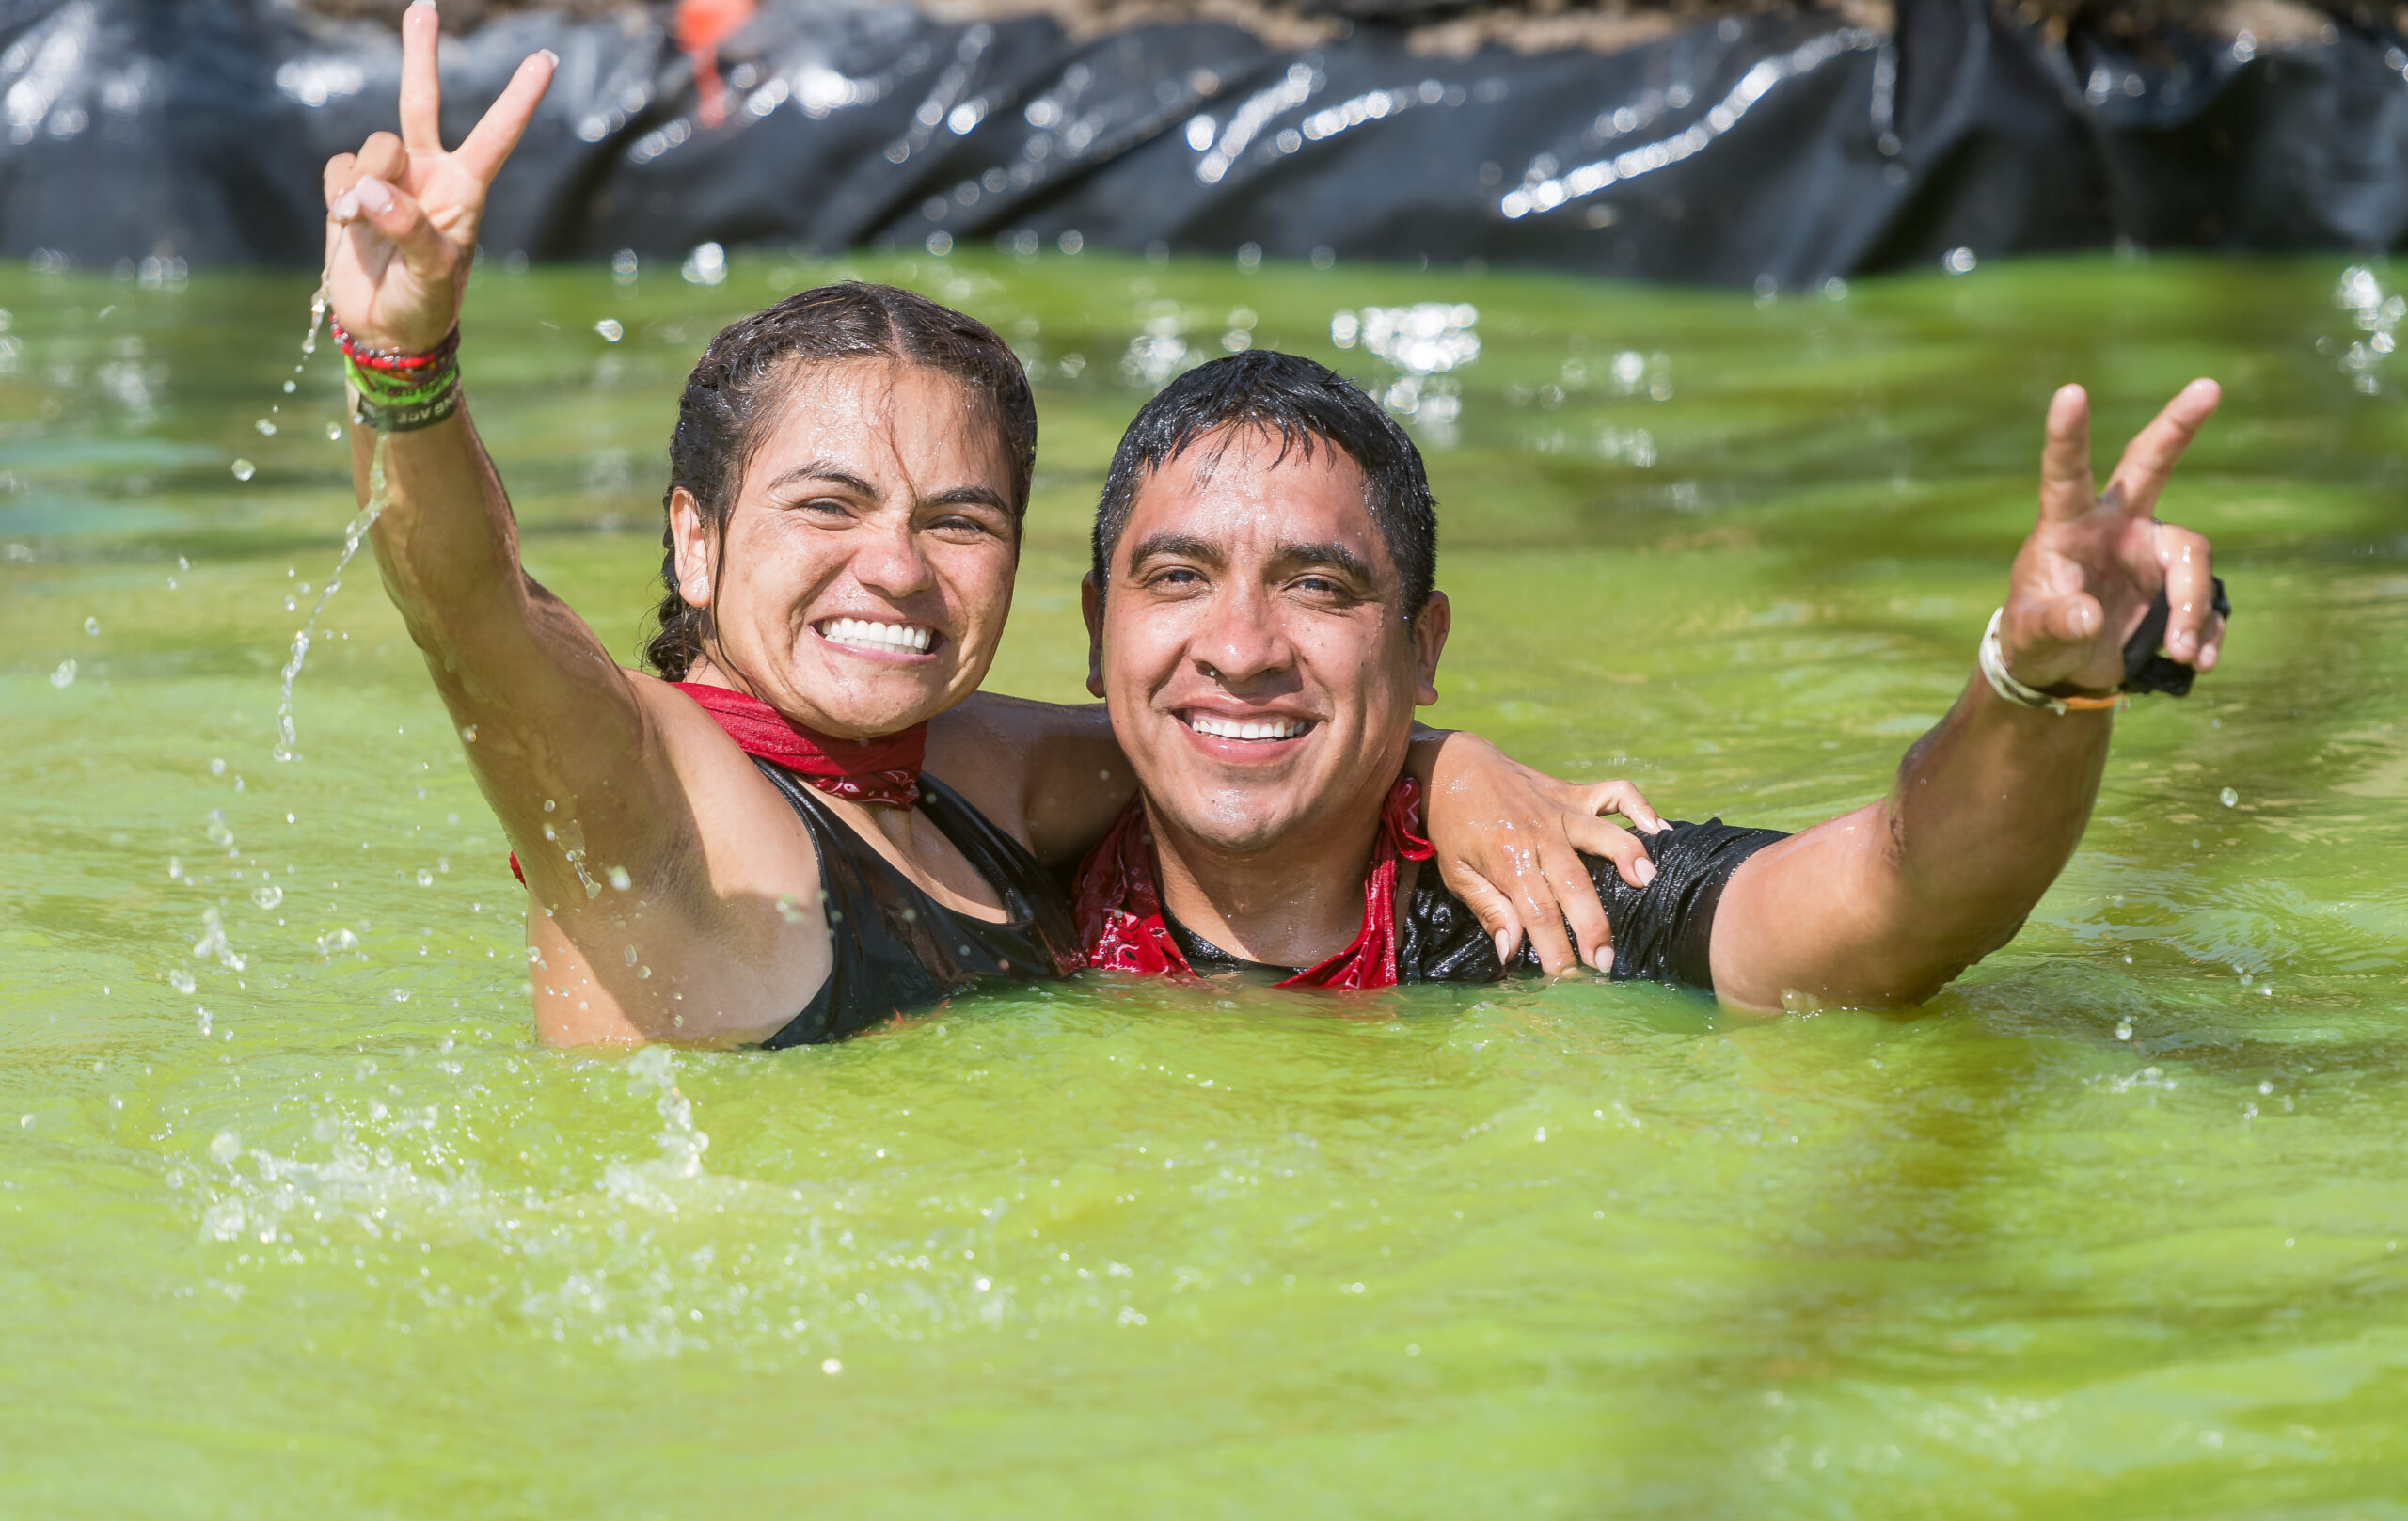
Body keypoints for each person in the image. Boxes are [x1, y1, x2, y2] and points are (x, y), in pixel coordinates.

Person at [315, 2, 1654, 1047]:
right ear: (696, 539)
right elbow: (472, 611)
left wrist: (1456, 764)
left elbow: (1239, 738)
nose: (895, 567)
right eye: (827, 504)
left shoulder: (970, 775)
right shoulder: (638, 784)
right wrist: (405, 365)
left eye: (959, 520)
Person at [1072, 351, 2228, 1009]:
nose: (1241, 644)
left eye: (1318, 588)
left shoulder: (1559, 907)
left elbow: (1907, 900)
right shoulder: (977, 883)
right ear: (1092, 629)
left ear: (1423, 651)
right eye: (1176, 577)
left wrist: (2032, 687)